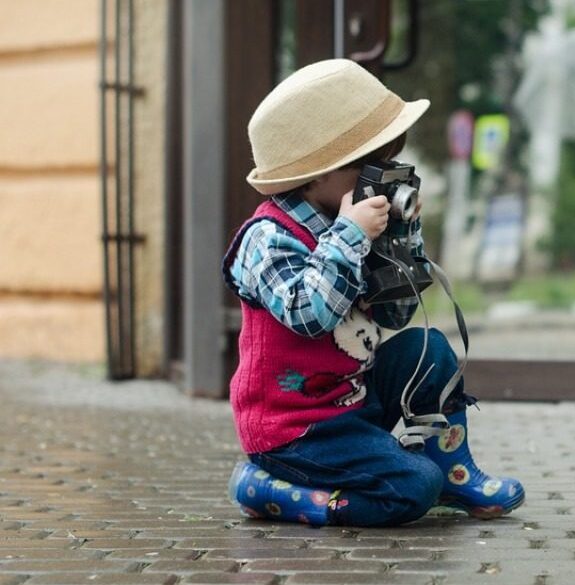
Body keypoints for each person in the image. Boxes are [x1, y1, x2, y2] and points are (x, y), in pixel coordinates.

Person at [222, 59, 525, 527]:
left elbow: (397, 314)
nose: (380, 177)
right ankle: (273, 491)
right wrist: (349, 235)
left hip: (352, 401)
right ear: (317, 172)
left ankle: (452, 470)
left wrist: (402, 237)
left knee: (430, 348)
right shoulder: (267, 238)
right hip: (296, 430)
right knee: (412, 487)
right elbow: (310, 315)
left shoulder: (355, 224)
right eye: (371, 165)